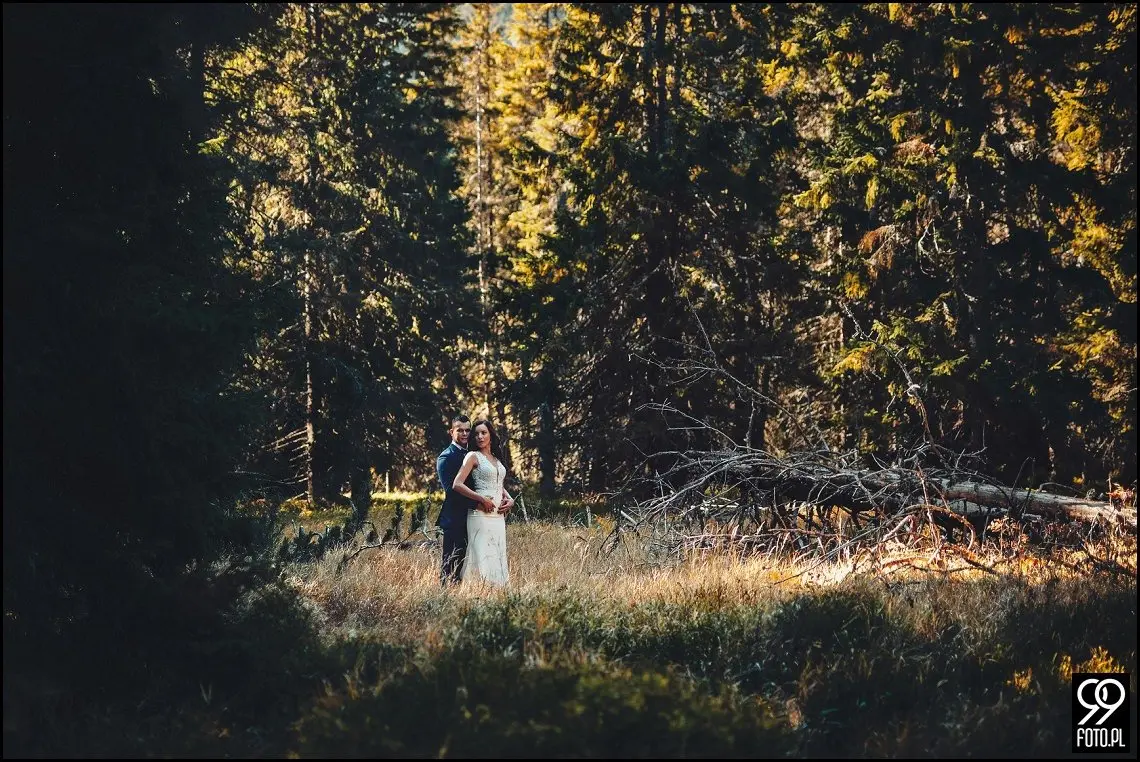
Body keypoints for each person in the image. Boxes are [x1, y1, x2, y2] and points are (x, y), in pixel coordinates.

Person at [451, 419, 514, 587]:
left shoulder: (496, 458)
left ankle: (496, 591)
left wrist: (510, 499)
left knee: (496, 554)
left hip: (498, 517)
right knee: (480, 554)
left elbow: (498, 483)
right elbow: (457, 484)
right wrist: (481, 499)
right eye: (476, 433)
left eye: (483, 433)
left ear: (491, 436)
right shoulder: (472, 456)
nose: (479, 436)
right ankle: (476, 590)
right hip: (480, 514)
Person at [435, 415, 473, 586]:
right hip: (455, 517)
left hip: (474, 516)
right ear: (451, 432)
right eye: (460, 430)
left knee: (468, 561)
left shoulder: (473, 453)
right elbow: (451, 490)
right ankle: (446, 597)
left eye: (467, 430)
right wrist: (479, 500)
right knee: (451, 563)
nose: (464, 434)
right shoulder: (446, 457)